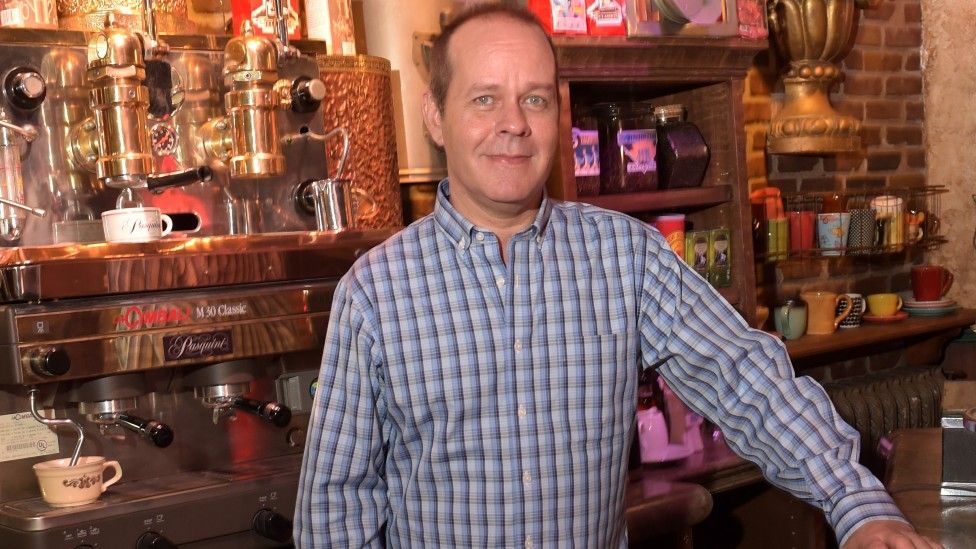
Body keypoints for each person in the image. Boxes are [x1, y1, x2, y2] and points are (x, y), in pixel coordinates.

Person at [294, 5, 939, 548]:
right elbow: (337, 509)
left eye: (535, 99)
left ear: (559, 112)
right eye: (484, 98)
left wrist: (858, 506)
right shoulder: (376, 293)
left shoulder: (623, 256)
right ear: (436, 116)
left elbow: (741, 374)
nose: (513, 123)